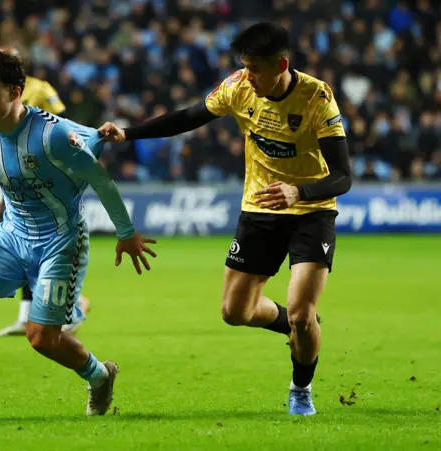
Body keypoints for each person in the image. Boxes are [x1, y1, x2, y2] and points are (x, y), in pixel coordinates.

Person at [98, 22, 352, 416]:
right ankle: (296, 325)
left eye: (255, 68)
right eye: (244, 66)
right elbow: (187, 117)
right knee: (234, 313)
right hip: (259, 210)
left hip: (310, 212)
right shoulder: (238, 86)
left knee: (302, 312)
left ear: (281, 64)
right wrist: (128, 134)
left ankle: (300, 388)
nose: (247, 75)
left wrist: (298, 191)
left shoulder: (316, 98)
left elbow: (343, 176)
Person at [0, 50, 157, 422]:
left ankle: (99, 375)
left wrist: (126, 233)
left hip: (60, 242)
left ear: (15, 93)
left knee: (41, 338)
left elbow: (100, 180)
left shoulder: (52, 135)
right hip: (13, 233)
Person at [0, 46, 90, 337]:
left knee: (51, 240)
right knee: (24, 243)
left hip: (44, 175)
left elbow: (62, 125)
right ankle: (26, 315)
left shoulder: (41, 89)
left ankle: (72, 304)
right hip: (16, 173)